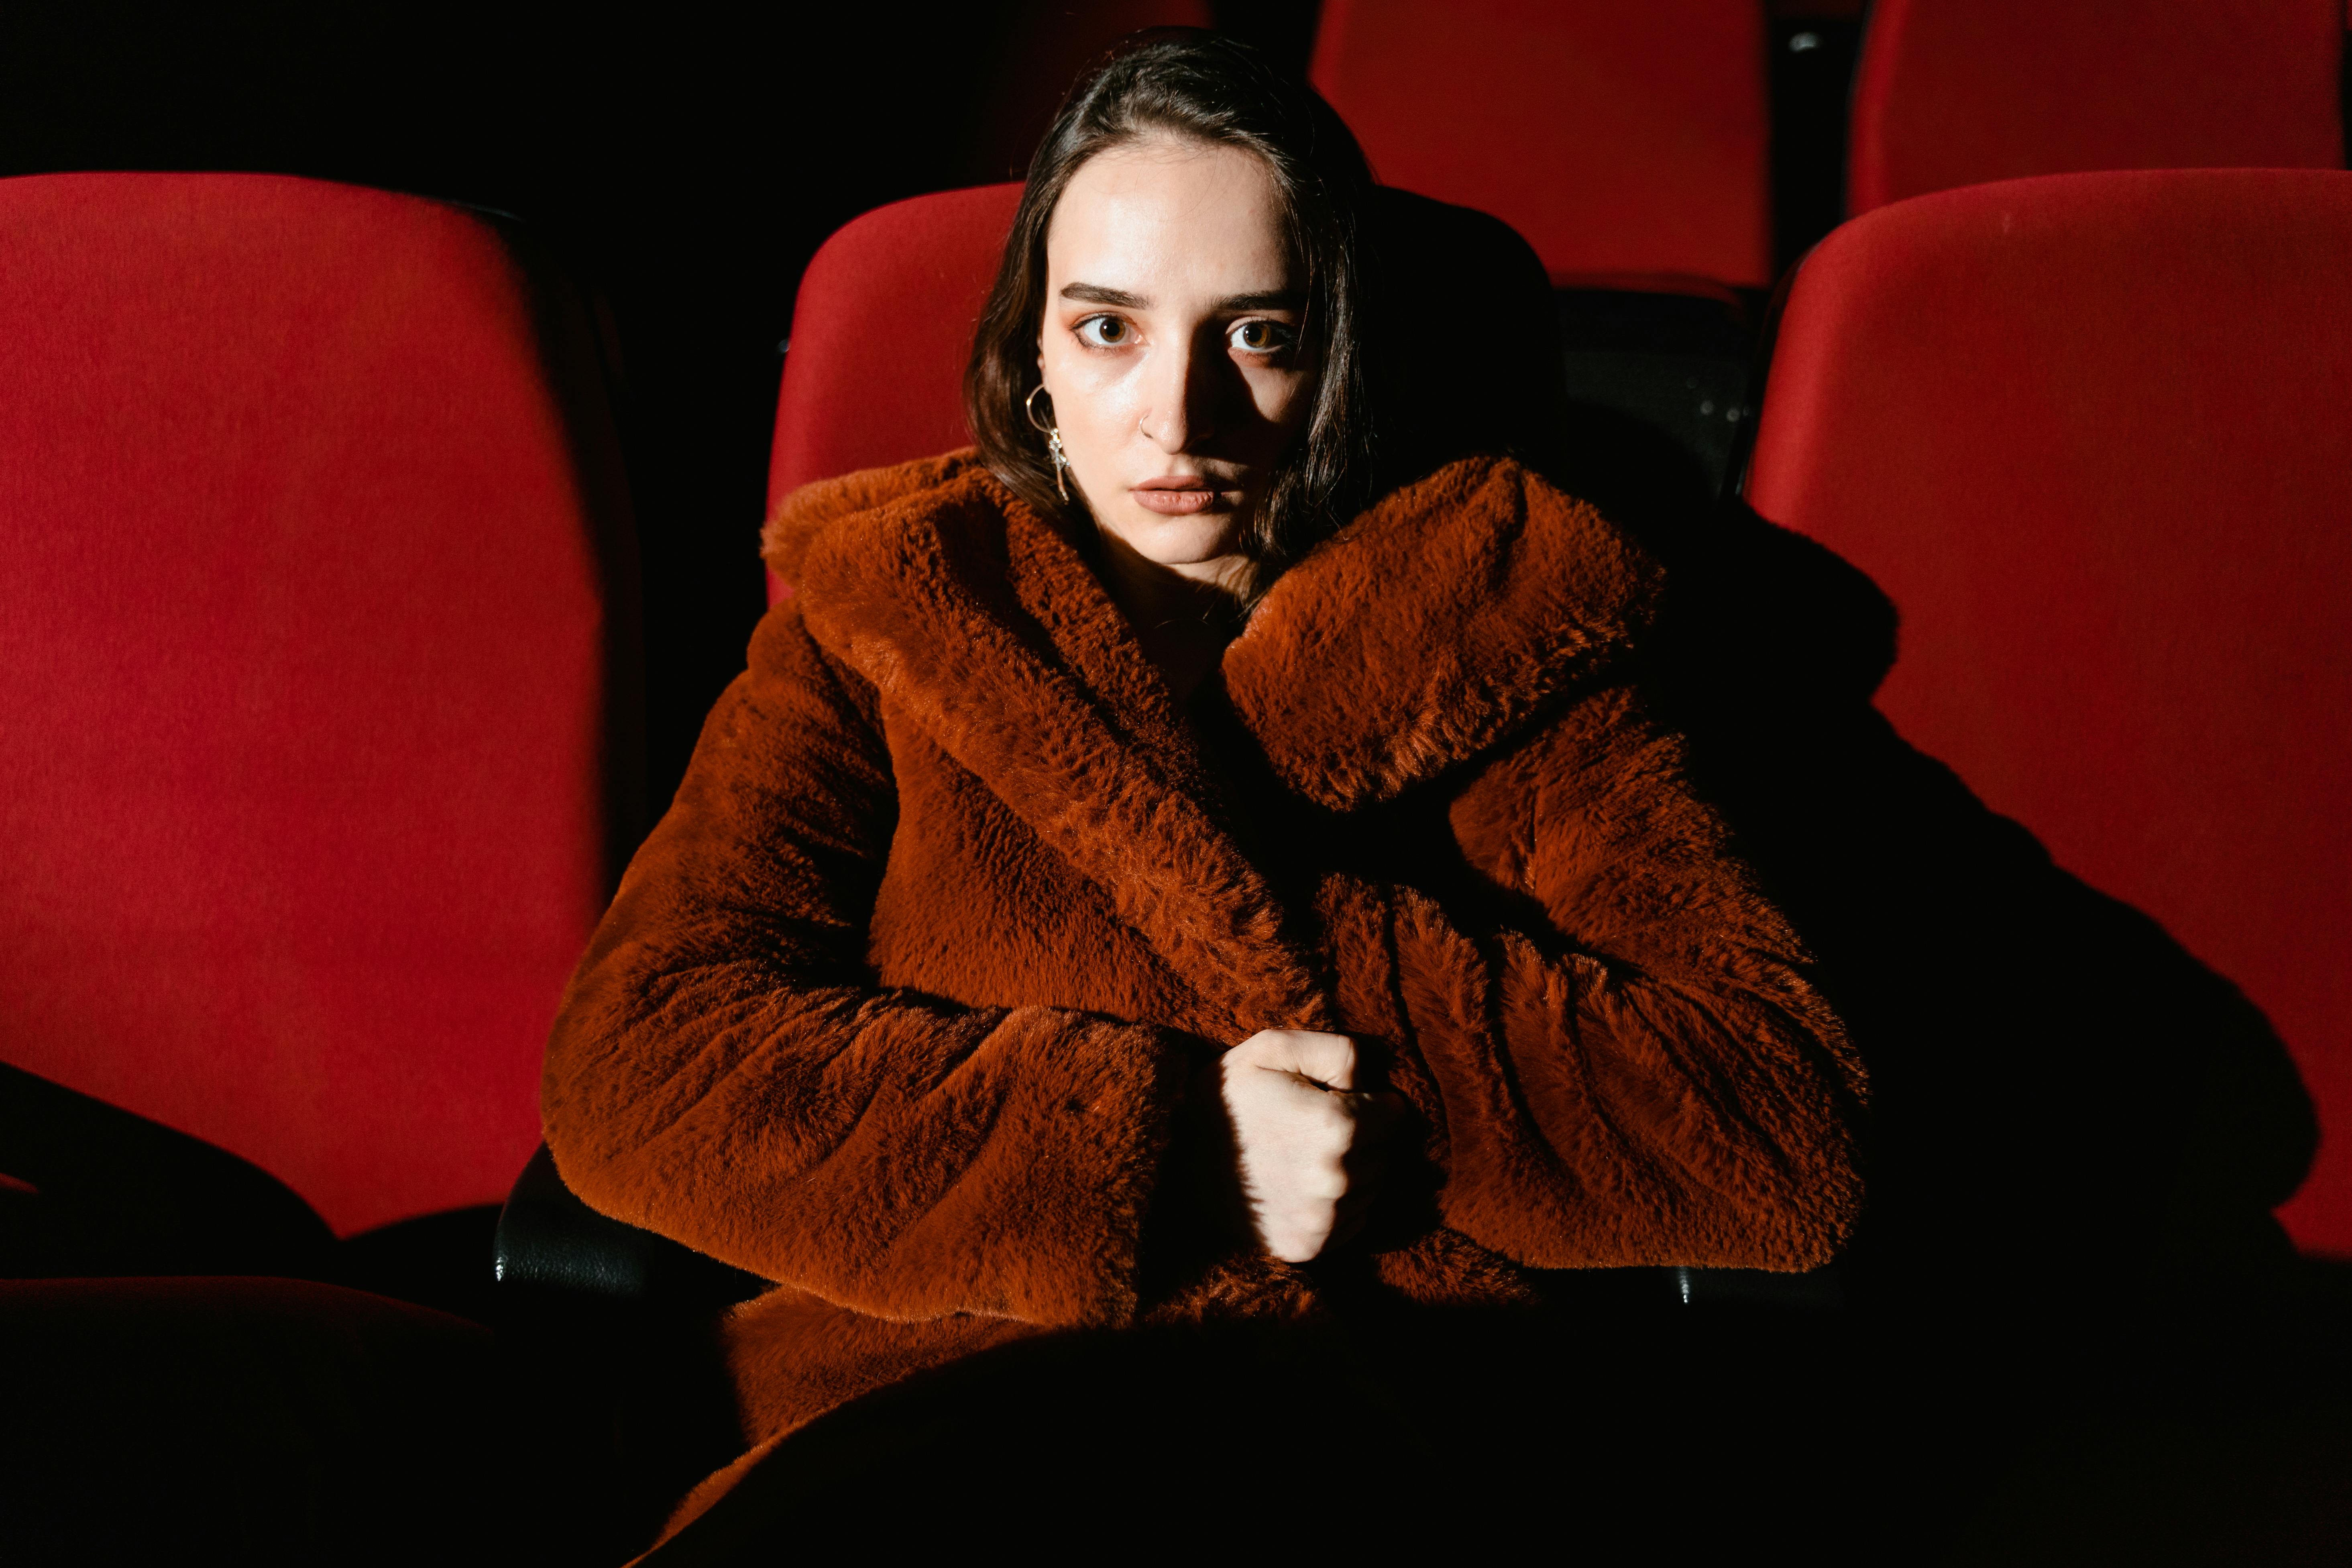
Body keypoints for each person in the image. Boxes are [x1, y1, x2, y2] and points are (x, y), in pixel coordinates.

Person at [541, 31, 1867, 1558]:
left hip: (1370, 1408)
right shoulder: (892, 613)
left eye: (1256, 334)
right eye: (1107, 328)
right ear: (1034, 358)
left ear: (1337, 355)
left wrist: (1361, 1110)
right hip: (928, 1396)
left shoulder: (1492, 615)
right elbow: (640, 1067)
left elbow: (1768, 1125)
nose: (1176, 416)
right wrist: (1181, 1147)